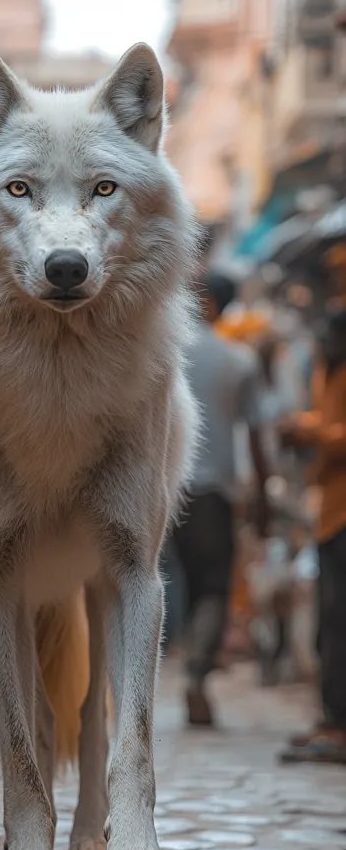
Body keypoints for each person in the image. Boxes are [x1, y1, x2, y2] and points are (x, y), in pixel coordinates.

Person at [172, 272, 269, 726]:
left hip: (161, 489)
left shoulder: (163, 348)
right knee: (212, 586)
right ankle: (196, 672)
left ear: (206, 301)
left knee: (162, 583)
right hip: (215, 492)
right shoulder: (239, 360)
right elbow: (255, 435)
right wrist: (263, 496)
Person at [278, 310, 346, 763]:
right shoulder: (328, 371)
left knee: (338, 623)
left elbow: (332, 430)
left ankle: (338, 728)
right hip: (330, 511)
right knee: (330, 624)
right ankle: (331, 719)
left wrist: (308, 429)